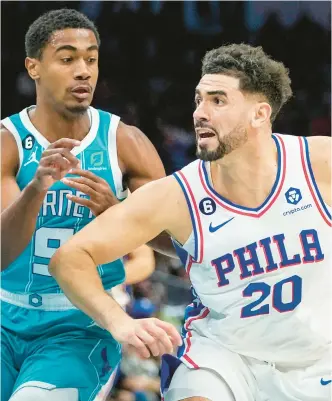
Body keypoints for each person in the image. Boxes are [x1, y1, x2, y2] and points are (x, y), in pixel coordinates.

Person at [49, 43, 331, 401]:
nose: (200, 112)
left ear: (260, 114)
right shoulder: (177, 194)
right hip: (224, 358)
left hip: (317, 359)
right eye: (198, 99)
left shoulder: (319, 164)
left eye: (218, 100)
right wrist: (119, 322)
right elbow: (70, 258)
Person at [1, 9, 181, 401]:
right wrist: (35, 189)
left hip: (81, 325)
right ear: (34, 67)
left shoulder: (126, 142)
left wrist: (116, 212)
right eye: (67, 59)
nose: (83, 71)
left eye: (92, 59)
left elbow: (176, 241)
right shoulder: (7, 142)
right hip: (4, 316)